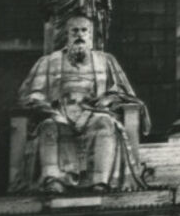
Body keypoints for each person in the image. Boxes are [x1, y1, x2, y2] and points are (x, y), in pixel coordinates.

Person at [14, 14, 152, 195]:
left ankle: (100, 182)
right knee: (49, 126)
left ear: (91, 35)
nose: (79, 35)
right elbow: (33, 93)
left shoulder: (106, 60)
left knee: (105, 123)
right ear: (67, 35)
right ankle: (54, 180)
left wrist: (108, 99)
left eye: (84, 30)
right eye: (75, 31)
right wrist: (48, 109)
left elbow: (122, 92)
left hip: (94, 112)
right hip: (60, 111)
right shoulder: (48, 62)